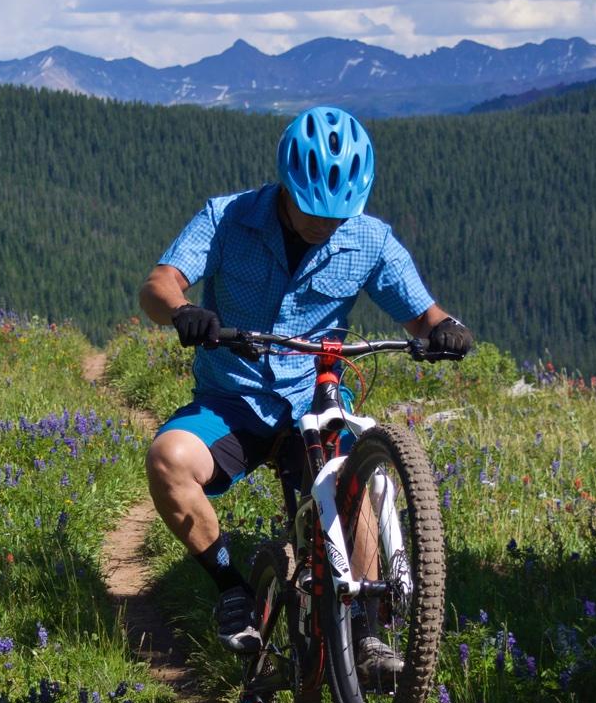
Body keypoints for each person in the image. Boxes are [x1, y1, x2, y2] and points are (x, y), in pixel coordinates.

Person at [138, 105, 473, 663]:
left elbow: (422, 315)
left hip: (313, 405)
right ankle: (232, 591)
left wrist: (445, 330)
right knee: (168, 460)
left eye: (339, 215)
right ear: (285, 185)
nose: (325, 225)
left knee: (352, 480)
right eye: (313, 210)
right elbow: (158, 284)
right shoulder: (227, 218)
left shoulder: (370, 240)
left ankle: (367, 633)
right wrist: (183, 311)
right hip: (232, 398)